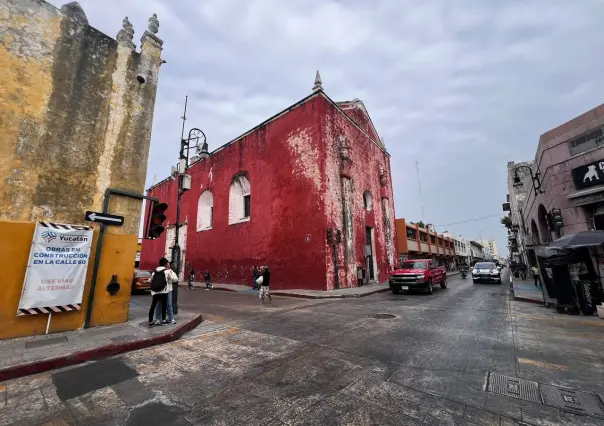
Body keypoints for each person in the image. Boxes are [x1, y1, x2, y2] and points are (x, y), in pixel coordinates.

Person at [148, 258, 178, 326]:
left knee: (166, 305)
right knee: (162, 305)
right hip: (164, 291)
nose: (169, 264)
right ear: (165, 264)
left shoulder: (169, 271)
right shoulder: (166, 271)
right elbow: (174, 280)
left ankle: (170, 319)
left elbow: (176, 279)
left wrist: (171, 278)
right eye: (168, 263)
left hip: (163, 290)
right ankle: (160, 319)